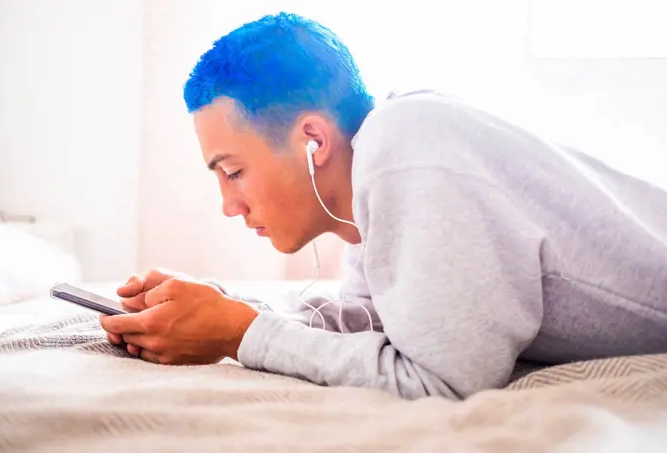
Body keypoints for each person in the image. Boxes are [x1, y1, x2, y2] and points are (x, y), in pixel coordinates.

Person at [100, 12, 667, 400]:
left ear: (313, 141)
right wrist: (229, 311)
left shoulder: (406, 151)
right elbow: (382, 320)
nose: (229, 204)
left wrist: (241, 335)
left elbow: (442, 381)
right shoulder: (382, 166)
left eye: (233, 171)